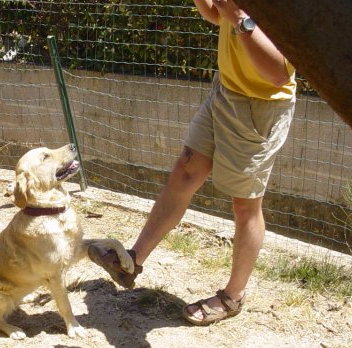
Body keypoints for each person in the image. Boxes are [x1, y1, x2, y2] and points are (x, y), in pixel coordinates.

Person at [88, 0, 297, 326]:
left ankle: (232, 297)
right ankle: (132, 263)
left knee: (245, 206)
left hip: (260, 109)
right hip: (225, 91)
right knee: (185, 172)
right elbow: (215, 14)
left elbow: (278, 74)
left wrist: (240, 18)